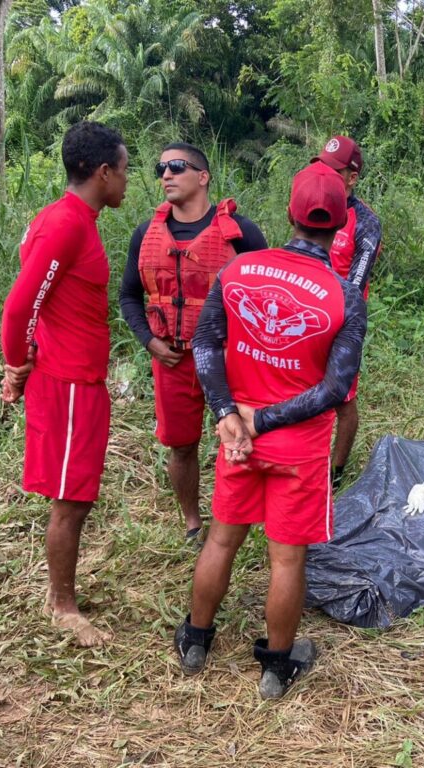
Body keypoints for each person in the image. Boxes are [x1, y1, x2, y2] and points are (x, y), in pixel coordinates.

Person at [173, 162, 367, 699]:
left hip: (237, 439)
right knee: (287, 558)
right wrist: (267, 418)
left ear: (289, 212)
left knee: (220, 539)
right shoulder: (344, 297)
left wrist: (227, 413)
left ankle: (195, 640)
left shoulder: (238, 272)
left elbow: (207, 345)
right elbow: (335, 388)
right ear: (341, 221)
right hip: (299, 448)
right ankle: (276, 669)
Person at [0, 121, 128, 647]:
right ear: (101, 172)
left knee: (74, 493)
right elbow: (18, 305)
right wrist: (15, 363)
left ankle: (62, 593)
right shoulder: (66, 225)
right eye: (124, 170)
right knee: (70, 499)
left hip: (78, 379)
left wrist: (28, 355)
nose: (127, 181)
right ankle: (62, 605)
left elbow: (42, 304)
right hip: (69, 383)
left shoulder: (70, 219)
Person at [119, 143, 267, 547]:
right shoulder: (145, 235)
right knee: (181, 446)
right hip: (172, 361)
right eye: (160, 167)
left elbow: (267, 294)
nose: (166, 174)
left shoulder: (242, 233)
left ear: (202, 176)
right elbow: (129, 296)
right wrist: (149, 341)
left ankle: (239, 518)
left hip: (228, 361)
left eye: (177, 167)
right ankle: (192, 523)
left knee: (240, 437)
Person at [311, 135, 382, 489]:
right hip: (307, 318)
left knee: (342, 396)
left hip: (343, 322)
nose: (323, 176)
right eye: (320, 167)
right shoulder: (310, 206)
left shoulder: (365, 221)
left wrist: (332, 320)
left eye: (333, 170)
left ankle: (335, 472)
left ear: (351, 178)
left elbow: (355, 282)